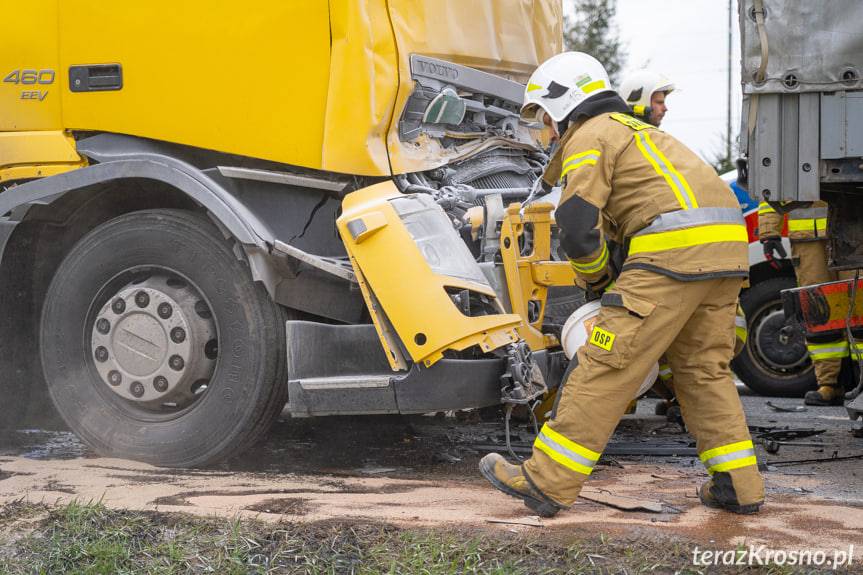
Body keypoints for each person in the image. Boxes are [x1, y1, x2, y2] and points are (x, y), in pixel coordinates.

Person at [480, 52, 764, 517]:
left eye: (548, 120)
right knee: (702, 371)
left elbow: (575, 223)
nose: (548, 132)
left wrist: (596, 281)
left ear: (565, 103)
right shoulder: (643, 134)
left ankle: (547, 481)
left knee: (605, 363)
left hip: (672, 254)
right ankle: (739, 485)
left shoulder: (590, 135)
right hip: (726, 256)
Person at [758, 201, 851, 406]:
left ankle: (858, 384)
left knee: (859, 309)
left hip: (854, 231)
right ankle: (829, 384)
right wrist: (768, 232)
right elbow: (774, 185)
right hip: (808, 240)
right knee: (819, 312)